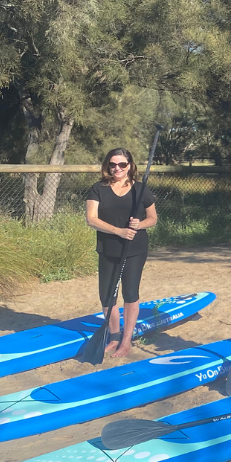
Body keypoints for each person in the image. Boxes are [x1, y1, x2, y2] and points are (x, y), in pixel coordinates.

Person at [85, 149, 159, 358]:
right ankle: (114, 335)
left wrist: (139, 224)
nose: (117, 168)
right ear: (107, 165)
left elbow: (152, 218)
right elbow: (91, 219)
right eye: (112, 164)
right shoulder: (98, 189)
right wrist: (119, 231)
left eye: (122, 165)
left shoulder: (140, 190)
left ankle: (126, 341)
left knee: (130, 294)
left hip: (135, 249)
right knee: (107, 296)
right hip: (108, 247)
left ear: (130, 166)